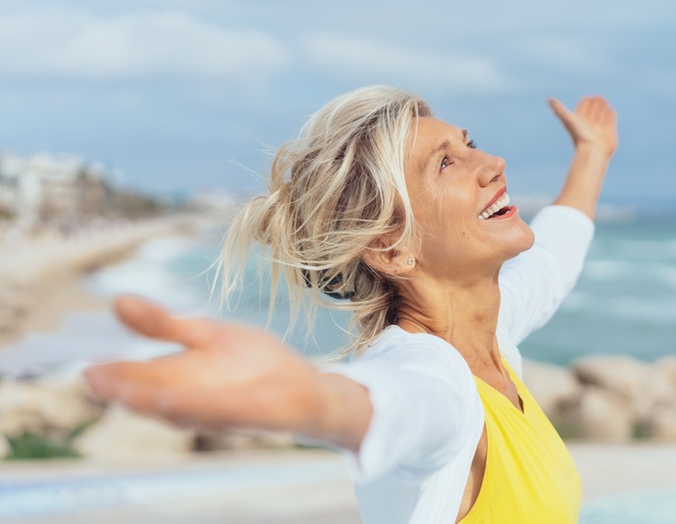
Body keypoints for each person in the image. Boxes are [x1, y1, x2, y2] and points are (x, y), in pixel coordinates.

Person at [85, 85, 618, 523]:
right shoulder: (433, 376)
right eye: (445, 164)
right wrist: (302, 397)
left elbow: (554, 255)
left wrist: (592, 153)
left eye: (469, 143)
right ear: (392, 248)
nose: (493, 162)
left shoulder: (490, 339)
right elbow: (396, 405)